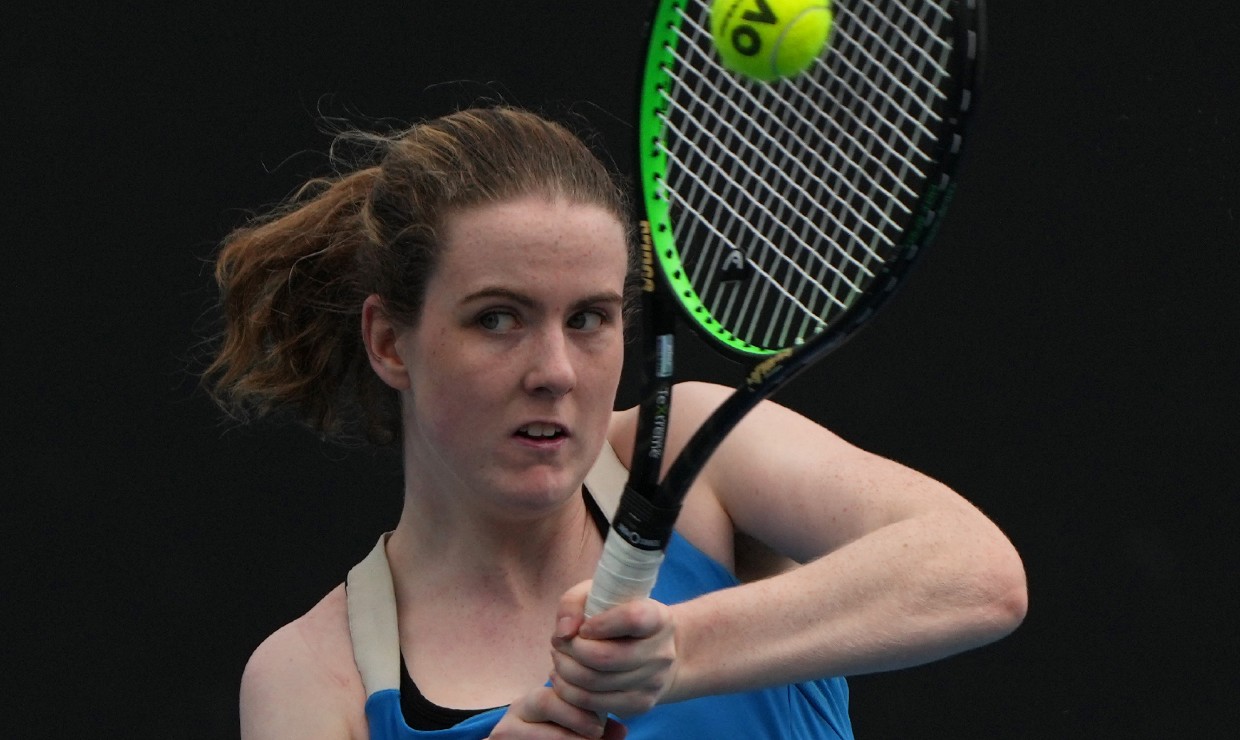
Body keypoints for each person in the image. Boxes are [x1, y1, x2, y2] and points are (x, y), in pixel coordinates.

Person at [206, 106, 1027, 739]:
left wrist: (685, 652)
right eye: (497, 319)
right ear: (391, 341)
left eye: (590, 319)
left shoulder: (695, 464)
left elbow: (978, 576)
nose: (555, 372)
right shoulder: (314, 678)